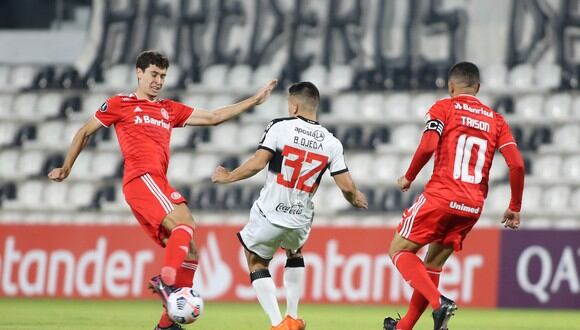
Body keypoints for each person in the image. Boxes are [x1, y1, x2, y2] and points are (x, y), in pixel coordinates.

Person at [47, 50, 277, 330]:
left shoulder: (168, 108)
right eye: (154, 74)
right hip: (140, 179)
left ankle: (166, 325)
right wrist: (66, 167)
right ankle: (165, 283)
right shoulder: (121, 103)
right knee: (186, 224)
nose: (158, 81)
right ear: (139, 73)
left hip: (158, 182)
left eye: (163, 76)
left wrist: (254, 100)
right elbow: (85, 131)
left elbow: (214, 117)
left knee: (191, 251)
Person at [211, 82, 368, 330]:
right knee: (294, 253)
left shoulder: (280, 127)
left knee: (256, 262)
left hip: (271, 213)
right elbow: (347, 187)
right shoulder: (331, 142)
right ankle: (293, 316)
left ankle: (278, 324)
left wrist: (228, 177)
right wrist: (355, 198)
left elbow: (257, 163)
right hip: (300, 219)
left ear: (294, 105)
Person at [382, 62, 525, 330]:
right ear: (478, 88)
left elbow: (427, 146)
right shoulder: (496, 120)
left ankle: (439, 303)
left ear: (450, 86)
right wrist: (514, 205)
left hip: (441, 195)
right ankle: (405, 328)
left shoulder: (444, 108)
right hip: (471, 205)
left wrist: (409, 176)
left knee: (398, 250)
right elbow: (516, 164)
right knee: (433, 264)